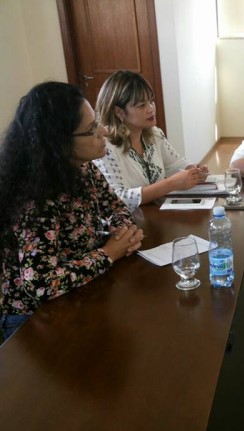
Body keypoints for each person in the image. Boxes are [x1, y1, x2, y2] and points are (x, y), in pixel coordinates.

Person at [0, 82, 144, 342]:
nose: (103, 131)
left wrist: (124, 232)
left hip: (76, 294)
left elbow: (116, 205)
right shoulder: (38, 199)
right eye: (91, 130)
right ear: (59, 143)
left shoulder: (82, 167)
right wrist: (109, 253)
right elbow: (40, 285)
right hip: (34, 322)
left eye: (97, 122)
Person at [94, 70, 208, 210]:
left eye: (151, 101)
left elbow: (174, 164)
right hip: (129, 224)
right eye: (141, 105)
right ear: (119, 112)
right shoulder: (105, 148)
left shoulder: (154, 134)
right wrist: (171, 183)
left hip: (158, 214)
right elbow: (119, 197)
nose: (151, 109)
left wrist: (193, 171)